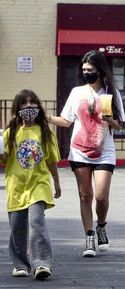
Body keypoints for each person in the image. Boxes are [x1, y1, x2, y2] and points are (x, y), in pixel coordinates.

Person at [48, 50, 125, 257]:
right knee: (85, 196)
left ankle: (101, 225)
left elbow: (119, 126)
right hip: (80, 150)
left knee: (100, 197)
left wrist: (105, 116)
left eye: (90, 70)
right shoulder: (77, 93)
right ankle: (89, 236)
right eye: (83, 70)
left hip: (104, 151)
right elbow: (66, 121)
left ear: (100, 70)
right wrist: (45, 117)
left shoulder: (112, 93)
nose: (86, 73)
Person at [0, 89, 61, 280]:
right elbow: (4, 160)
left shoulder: (45, 132)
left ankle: (41, 263)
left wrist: (56, 182)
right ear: (17, 109)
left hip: (38, 184)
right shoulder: (11, 133)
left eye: (32, 104)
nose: (28, 108)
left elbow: (51, 160)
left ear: (38, 107)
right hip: (17, 186)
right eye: (24, 104)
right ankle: (20, 264)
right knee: (17, 225)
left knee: (36, 222)